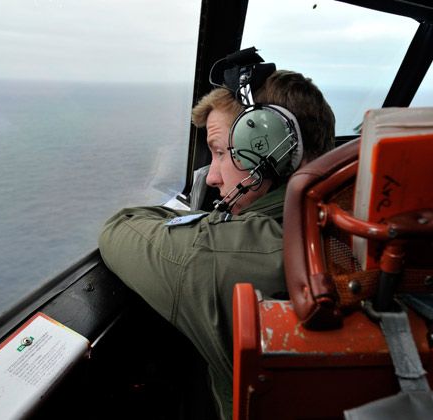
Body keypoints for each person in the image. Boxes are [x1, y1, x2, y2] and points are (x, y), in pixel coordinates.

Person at [98, 68, 335, 419]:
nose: (210, 176)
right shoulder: (342, 224)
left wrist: (206, 227)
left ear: (270, 148)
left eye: (222, 152)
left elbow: (119, 227)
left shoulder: (230, 255)